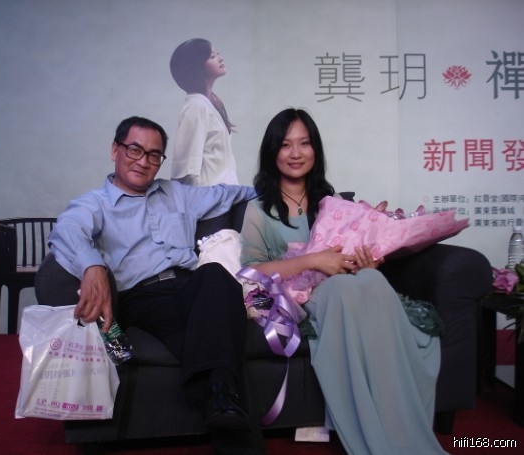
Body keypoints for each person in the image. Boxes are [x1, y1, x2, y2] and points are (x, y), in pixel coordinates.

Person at [47, 116, 263, 454]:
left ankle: (218, 395)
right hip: (143, 296)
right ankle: (225, 402)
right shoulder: (94, 204)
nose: (143, 161)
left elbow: (240, 194)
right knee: (220, 337)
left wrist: (308, 194)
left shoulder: (178, 194)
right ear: (115, 150)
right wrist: (92, 265)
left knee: (216, 274)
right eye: (135, 149)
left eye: (153, 154)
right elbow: (67, 231)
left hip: (193, 286)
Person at [240, 108, 447, 454]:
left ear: (316, 149)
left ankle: (401, 423)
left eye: (304, 143)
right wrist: (312, 260)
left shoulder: (334, 203)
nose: (295, 153)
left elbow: (352, 255)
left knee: (373, 282)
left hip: (347, 284)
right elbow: (252, 270)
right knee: (343, 291)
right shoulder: (258, 210)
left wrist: (368, 261)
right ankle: (375, 437)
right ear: (272, 151)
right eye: (286, 144)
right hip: (301, 298)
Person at [169, 38, 239, 186]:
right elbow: (187, 168)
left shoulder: (209, 103)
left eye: (217, 53)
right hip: (209, 196)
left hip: (226, 194)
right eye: (212, 56)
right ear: (197, 66)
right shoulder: (196, 107)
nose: (220, 58)